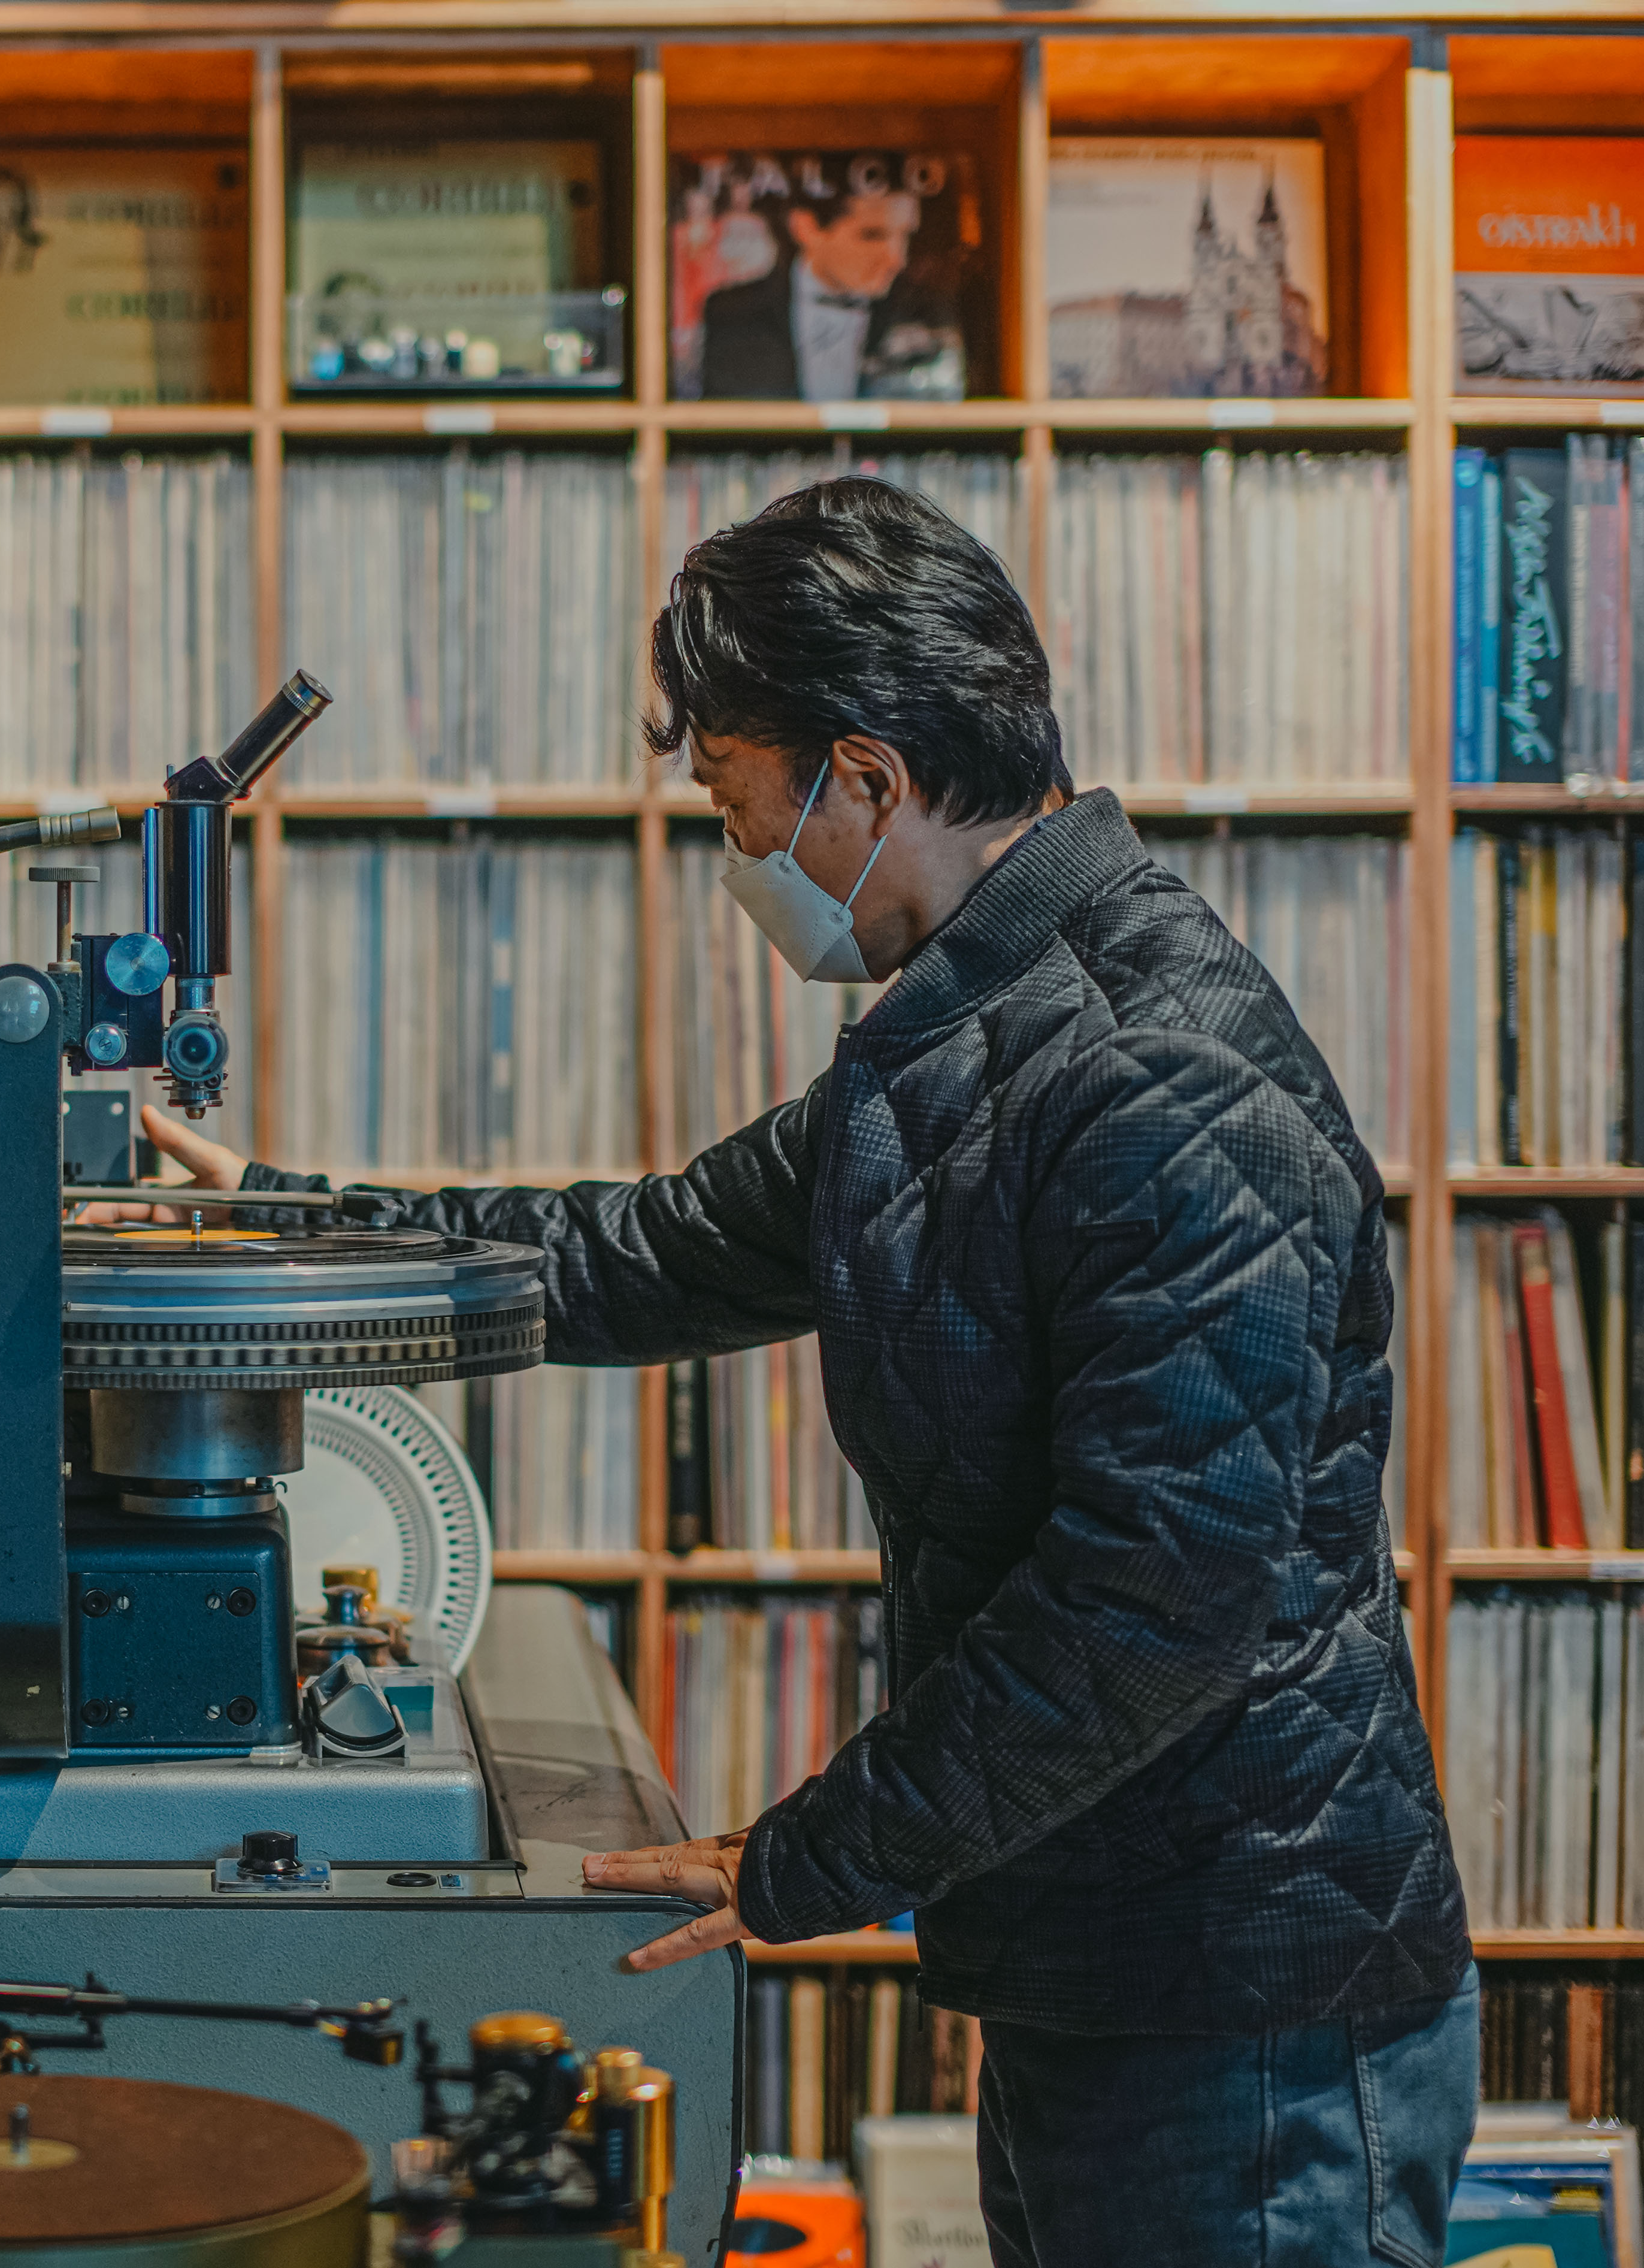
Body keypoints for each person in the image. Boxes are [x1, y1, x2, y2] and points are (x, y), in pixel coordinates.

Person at [119, 477, 1478, 2265]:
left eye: (731, 803)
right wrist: (288, 1226)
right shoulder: (956, 1040)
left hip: (1247, 2013)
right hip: (1111, 1957)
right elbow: (635, 1252)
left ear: (863, 779)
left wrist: (804, 1856)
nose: (734, 854)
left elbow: (1150, 1603)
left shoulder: (1158, 1069)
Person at [695, 173, 960, 403]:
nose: (897, 259)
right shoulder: (732, 313)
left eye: (905, 236)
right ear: (806, 228)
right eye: (872, 235)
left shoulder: (926, 310)